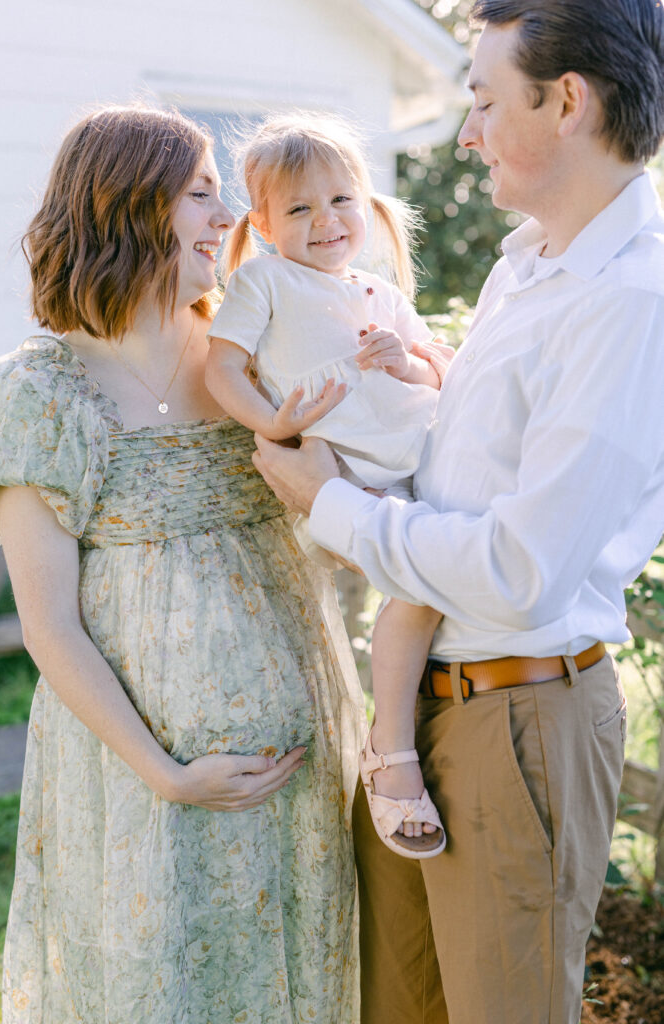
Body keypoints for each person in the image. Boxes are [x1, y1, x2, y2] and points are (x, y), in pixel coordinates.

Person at [249, 1, 664, 1021]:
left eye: (480, 99)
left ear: (565, 100)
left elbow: (523, 565)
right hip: (420, 706)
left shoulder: (628, 299)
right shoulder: (520, 267)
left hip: (514, 717)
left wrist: (333, 504)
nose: (464, 130)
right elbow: (454, 470)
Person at [0, 105, 367, 1024]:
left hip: (299, 763)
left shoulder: (255, 359)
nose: (227, 217)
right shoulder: (40, 390)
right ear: (126, 205)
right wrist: (166, 771)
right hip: (133, 779)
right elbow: (50, 624)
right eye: (201, 194)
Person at [206, 113, 454, 858]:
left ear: (366, 202)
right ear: (263, 223)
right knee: (417, 593)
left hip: (421, 467)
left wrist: (403, 361)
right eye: (300, 208)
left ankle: (398, 738)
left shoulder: (379, 292)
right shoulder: (265, 280)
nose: (326, 221)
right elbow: (221, 367)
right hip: (343, 477)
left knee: (433, 590)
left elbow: (437, 372)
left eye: (341, 200)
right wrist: (274, 423)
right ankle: (391, 753)